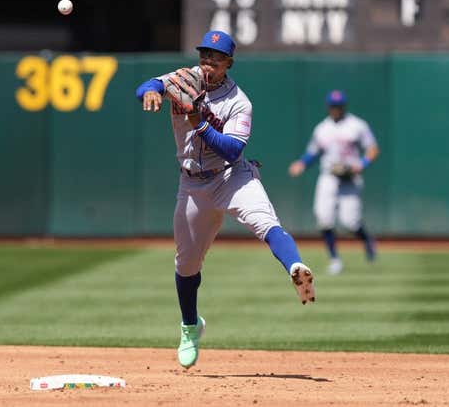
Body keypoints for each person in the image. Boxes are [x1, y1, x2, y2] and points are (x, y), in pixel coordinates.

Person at [135, 30, 315, 369]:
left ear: (228, 64)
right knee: (186, 265)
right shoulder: (184, 79)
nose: (207, 63)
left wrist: (198, 124)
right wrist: (152, 93)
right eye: (204, 55)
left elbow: (233, 150)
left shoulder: (239, 101)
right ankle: (190, 327)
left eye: (215, 59)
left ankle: (294, 266)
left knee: (265, 222)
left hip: (232, 177)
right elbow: (147, 85)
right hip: (192, 186)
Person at [288, 90, 380, 275]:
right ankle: (335, 259)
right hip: (329, 176)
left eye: (339, 105)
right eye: (333, 105)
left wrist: (362, 164)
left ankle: (367, 240)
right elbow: (314, 152)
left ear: (344, 106)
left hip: (350, 177)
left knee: (350, 223)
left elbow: (372, 149)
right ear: (328, 107)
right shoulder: (322, 128)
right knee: (324, 218)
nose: (336, 109)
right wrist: (302, 163)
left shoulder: (357, 125)